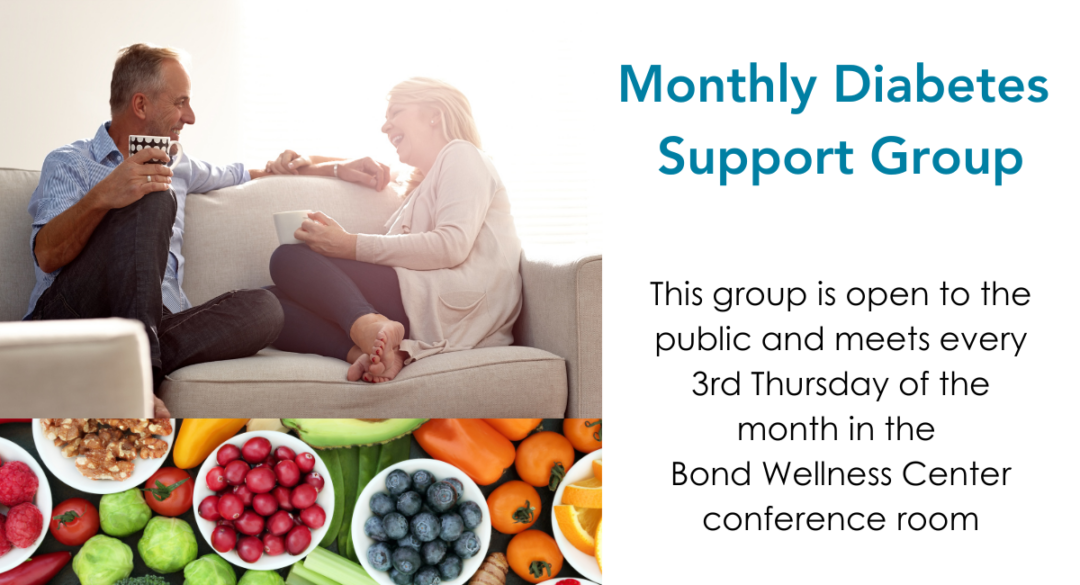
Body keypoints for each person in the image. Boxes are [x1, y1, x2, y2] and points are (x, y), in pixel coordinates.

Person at [25, 43, 288, 415]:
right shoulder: (71, 162)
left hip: (153, 323)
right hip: (69, 319)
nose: (191, 117)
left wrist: (333, 167)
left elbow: (247, 172)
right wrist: (104, 196)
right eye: (180, 102)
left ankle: (108, 367)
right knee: (152, 194)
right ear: (141, 105)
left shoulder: (179, 162)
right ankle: (138, 380)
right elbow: (47, 256)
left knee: (265, 308)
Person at [265, 77, 523, 383]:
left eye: (395, 113)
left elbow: (451, 245)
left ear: (434, 114)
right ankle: (368, 351)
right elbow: (363, 166)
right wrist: (310, 162)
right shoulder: (422, 183)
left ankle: (369, 325)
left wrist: (349, 245)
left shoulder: (462, 154)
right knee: (265, 305)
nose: (385, 128)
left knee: (288, 257)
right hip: (427, 304)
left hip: (452, 306)